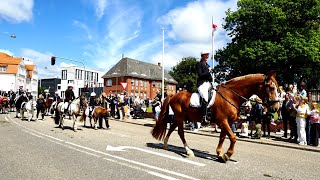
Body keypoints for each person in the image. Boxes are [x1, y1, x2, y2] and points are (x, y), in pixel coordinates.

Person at [196, 50, 213, 120]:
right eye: (206, 55)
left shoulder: (208, 65)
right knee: (205, 97)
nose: (207, 56)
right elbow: (200, 74)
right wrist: (208, 72)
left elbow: (209, 76)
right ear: (202, 56)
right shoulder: (199, 64)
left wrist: (211, 77)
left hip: (208, 83)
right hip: (201, 84)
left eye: (208, 55)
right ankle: (204, 116)